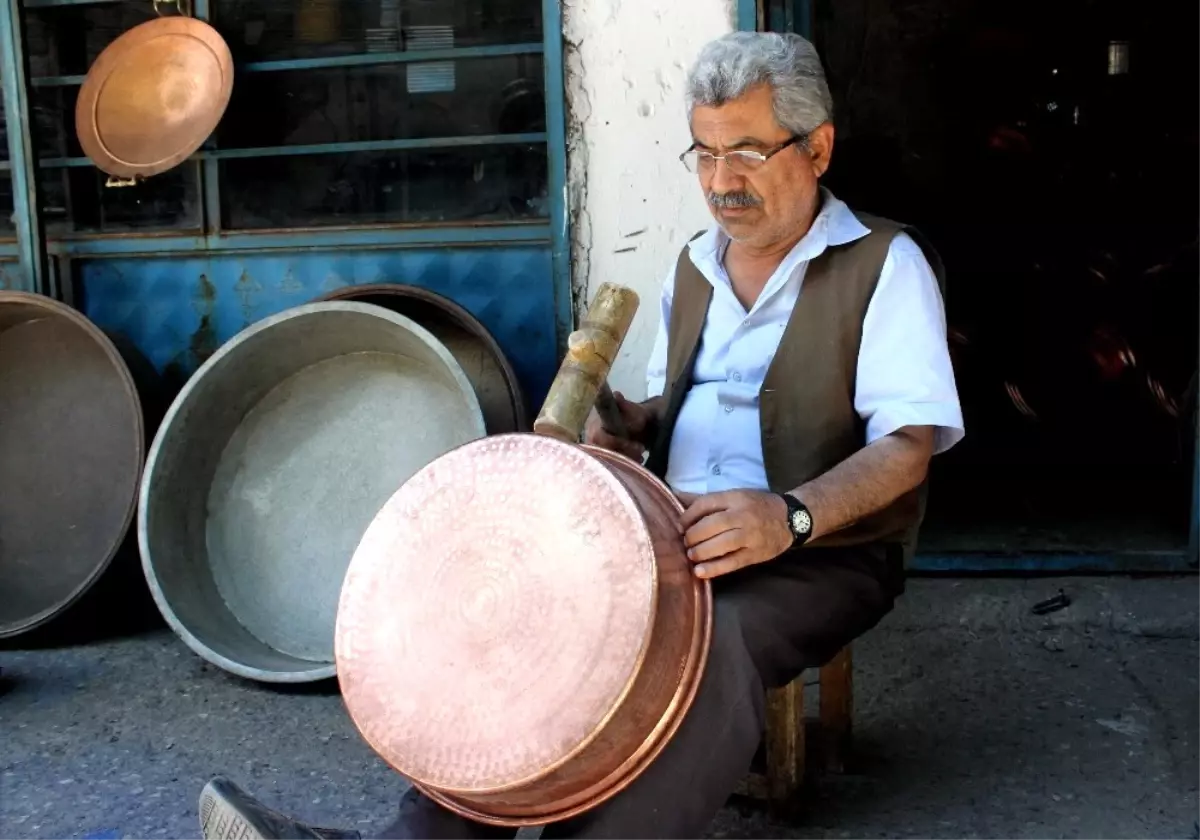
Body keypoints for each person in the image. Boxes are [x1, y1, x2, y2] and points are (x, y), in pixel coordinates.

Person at [196, 29, 963, 840]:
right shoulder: (698, 264)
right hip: (672, 528)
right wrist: (635, 422)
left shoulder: (885, 264)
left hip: (823, 552)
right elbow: (716, 394)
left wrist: (790, 516)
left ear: (818, 147)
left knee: (715, 645)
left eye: (746, 152)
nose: (720, 183)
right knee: (524, 611)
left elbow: (907, 447)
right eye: (702, 154)